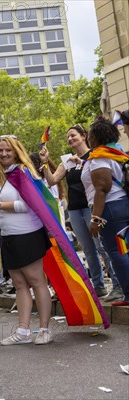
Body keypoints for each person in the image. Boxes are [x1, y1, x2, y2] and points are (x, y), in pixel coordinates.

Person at [0, 135, 53, 345]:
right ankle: (23, 331)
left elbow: (28, 205)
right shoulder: (1, 179)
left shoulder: (23, 173)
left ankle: (44, 329)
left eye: (8, 150)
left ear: (16, 151)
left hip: (28, 234)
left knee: (36, 281)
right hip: (8, 236)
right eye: (0, 150)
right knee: (19, 284)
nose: (4, 154)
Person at [39, 124, 120, 300]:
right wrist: (45, 162)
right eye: (68, 137)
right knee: (89, 250)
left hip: (93, 207)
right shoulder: (66, 160)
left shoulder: (94, 156)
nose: (70, 139)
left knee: (103, 247)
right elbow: (52, 181)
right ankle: (98, 287)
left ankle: (117, 284)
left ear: (84, 136)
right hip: (75, 209)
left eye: (73, 135)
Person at [82, 120, 129, 306]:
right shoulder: (117, 152)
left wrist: (95, 218)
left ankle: (128, 294)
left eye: (90, 134)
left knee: (116, 251)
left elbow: (102, 188)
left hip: (109, 209)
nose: (88, 137)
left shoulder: (99, 157)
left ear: (95, 137)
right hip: (123, 204)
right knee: (125, 249)